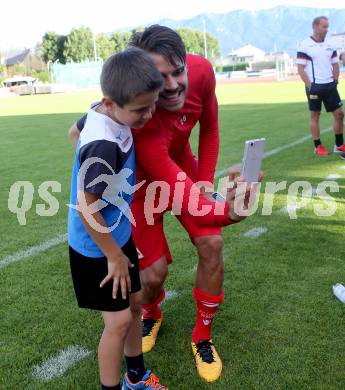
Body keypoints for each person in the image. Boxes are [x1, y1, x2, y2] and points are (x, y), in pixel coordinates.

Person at [69, 25, 262, 383]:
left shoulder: (201, 71)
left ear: (186, 61)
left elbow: (210, 129)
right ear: (144, 81)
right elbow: (86, 139)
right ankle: (152, 313)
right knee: (152, 275)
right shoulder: (140, 120)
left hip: (180, 166)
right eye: (161, 78)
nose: (172, 85)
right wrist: (232, 211)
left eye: (178, 71)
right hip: (140, 186)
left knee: (212, 242)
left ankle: (202, 335)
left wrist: (204, 183)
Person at [67, 47, 168, 390]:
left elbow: (73, 131)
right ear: (109, 103)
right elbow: (85, 207)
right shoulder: (103, 145)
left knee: (136, 303)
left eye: (152, 104)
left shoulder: (101, 112)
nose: (148, 115)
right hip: (95, 246)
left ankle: (136, 376)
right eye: (139, 110)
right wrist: (113, 255)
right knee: (120, 322)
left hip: (117, 235)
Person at [297, 16, 345, 157]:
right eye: (324, 26)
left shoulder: (330, 45)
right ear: (316, 27)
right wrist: (310, 86)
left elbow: (335, 64)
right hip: (315, 87)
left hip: (330, 85)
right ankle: (318, 146)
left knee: (339, 114)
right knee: (315, 115)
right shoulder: (305, 45)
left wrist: (335, 80)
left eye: (327, 26)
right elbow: (300, 69)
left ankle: (339, 145)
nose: (326, 29)